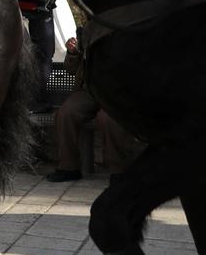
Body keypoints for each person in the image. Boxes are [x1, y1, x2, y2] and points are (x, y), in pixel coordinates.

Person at [47, 38, 144, 182]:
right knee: (66, 113)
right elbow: (71, 69)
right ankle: (68, 167)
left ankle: (118, 171)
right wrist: (72, 53)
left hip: (117, 91)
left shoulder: (126, 31)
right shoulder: (88, 33)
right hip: (89, 90)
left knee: (108, 119)